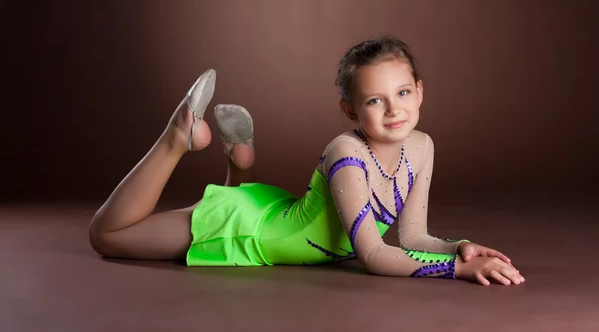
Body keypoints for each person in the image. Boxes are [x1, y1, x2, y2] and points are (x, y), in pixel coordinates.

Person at [89, 36, 525, 286]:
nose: (395, 110)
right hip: (249, 228)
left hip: (278, 213)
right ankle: (175, 139)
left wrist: (457, 246)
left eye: (403, 93)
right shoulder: (346, 153)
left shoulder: (423, 146)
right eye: (375, 100)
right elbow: (372, 253)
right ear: (350, 111)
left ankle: (241, 166)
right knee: (108, 236)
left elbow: (411, 235)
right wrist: (457, 270)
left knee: (256, 201)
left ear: (420, 91)